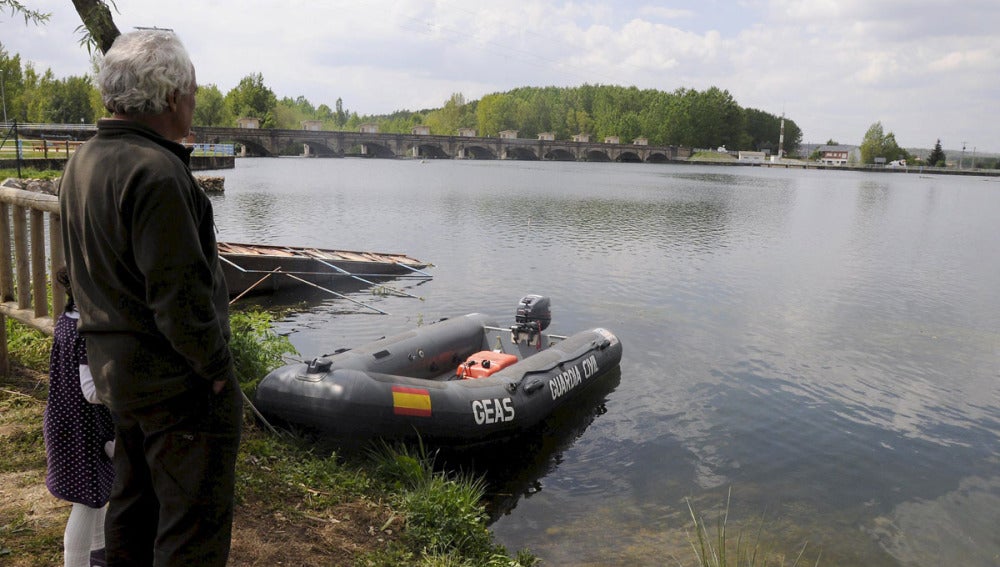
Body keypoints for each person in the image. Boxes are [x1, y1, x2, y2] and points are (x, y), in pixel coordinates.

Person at [58, 29, 242, 567]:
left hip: (120, 375)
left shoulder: (84, 161)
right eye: (193, 93)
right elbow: (179, 298)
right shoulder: (158, 172)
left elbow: (77, 271)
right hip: (176, 384)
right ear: (168, 97)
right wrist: (215, 369)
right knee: (191, 530)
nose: (194, 104)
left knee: (132, 509)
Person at [44, 268, 115, 567]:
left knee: (97, 492)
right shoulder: (87, 332)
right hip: (81, 429)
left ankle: (97, 555)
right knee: (86, 503)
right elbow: (91, 391)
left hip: (69, 422)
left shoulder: (66, 320)